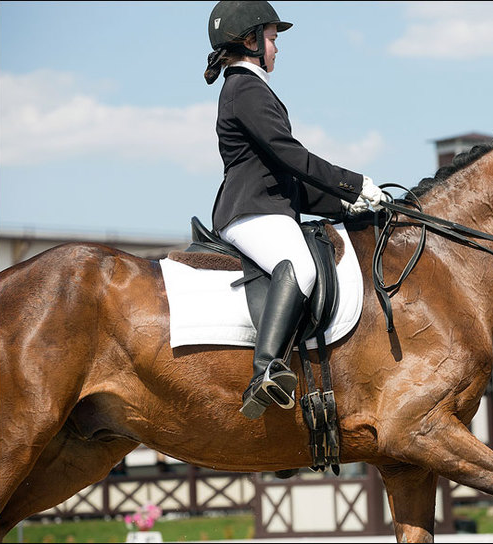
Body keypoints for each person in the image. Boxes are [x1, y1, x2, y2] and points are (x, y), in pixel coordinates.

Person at [203, 0, 388, 419]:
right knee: (299, 267)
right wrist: (353, 182)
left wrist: (347, 203)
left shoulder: (247, 87)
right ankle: (264, 371)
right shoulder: (246, 87)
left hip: (266, 205)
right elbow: (290, 156)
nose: (277, 47)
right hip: (249, 211)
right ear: (250, 41)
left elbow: (286, 182)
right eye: (271, 38)